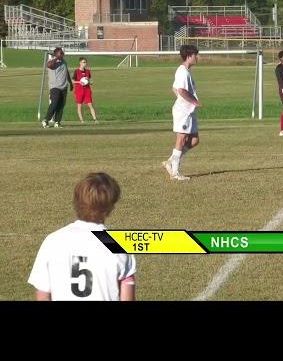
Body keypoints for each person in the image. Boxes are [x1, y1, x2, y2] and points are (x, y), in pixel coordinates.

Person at [27, 172, 136, 301]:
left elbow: (43, 295)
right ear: (110, 207)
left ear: (77, 200)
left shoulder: (53, 241)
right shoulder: (117, 245)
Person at [162, 44, 201, 181]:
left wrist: (185, 101)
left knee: (194, 140)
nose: (197, 57)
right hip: (183, 112)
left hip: (188, 111)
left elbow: (174, 88)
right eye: (195, 55)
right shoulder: (183, 72)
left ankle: (171, 161)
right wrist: (194, 102)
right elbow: (181, 91)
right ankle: (175, 172)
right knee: (181, 138)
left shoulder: (185, 71)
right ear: (189, 56)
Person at [42, 47, 73, 128]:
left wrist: (71, 83)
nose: (62, 54)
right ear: (56, 54)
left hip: (64, 87)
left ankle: (57, 122)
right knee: (54, 103)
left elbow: (67, 73)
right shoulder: (52, 61)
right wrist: (56, 58)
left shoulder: (64, 62)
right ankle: (46, 120)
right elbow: (49, 65)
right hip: (55, 86)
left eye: (62, 53)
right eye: (61, 53)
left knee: (61, 105)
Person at [71, 57, 98, 124]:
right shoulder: (76, 71)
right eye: (83, 62)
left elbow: (90, 80)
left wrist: (89, 82)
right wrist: (79, 82)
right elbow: (72, 81)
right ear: (80, 63)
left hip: (87, 90)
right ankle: (82, 121)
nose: (84, 64)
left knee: (90, 105)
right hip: (79, 91)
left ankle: (95, 120)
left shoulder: (88, 71)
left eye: (85, 62)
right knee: (79, 106)